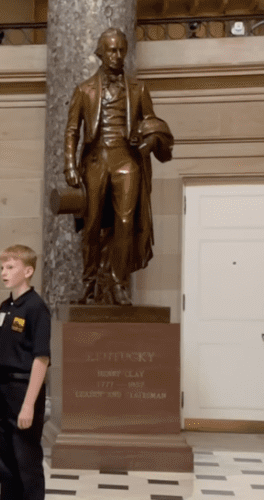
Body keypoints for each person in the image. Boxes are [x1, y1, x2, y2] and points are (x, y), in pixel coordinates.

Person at [64, 28, 171, 305]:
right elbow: (72, 130)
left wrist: (146, 145)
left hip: (127, 159)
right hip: (96, 159)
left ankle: (118, 282)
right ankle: (88, 284)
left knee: (125, 221)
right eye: (111, 50)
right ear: (100, 53)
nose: (117, 55)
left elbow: (153, 125)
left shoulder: (139, 88)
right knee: (92, 224)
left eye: (121, 50)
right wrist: (69, 166)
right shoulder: (84, 89)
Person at [0, 244, 52, 500]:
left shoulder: (36, 308)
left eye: (10, 268)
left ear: (28, 271)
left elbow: (41, 359)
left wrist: (28, 404)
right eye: (2, 268)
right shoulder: (3, 307)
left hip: (25, 390)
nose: (4, 273)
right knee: (5, 460)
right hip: (3, 389)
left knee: (26, 461)